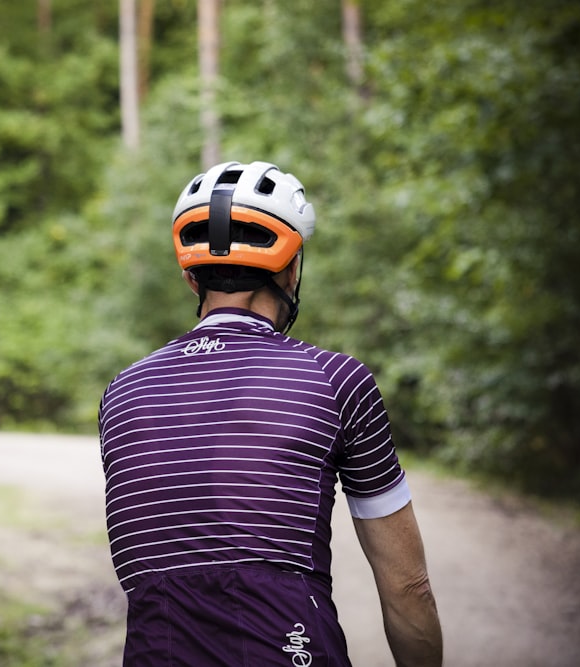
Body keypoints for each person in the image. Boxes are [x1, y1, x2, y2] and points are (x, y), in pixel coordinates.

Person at [98, 161, 443, 666]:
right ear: (290, 269)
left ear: (192, 278)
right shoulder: (336, 380)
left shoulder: (122, 393)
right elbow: (408, 585)